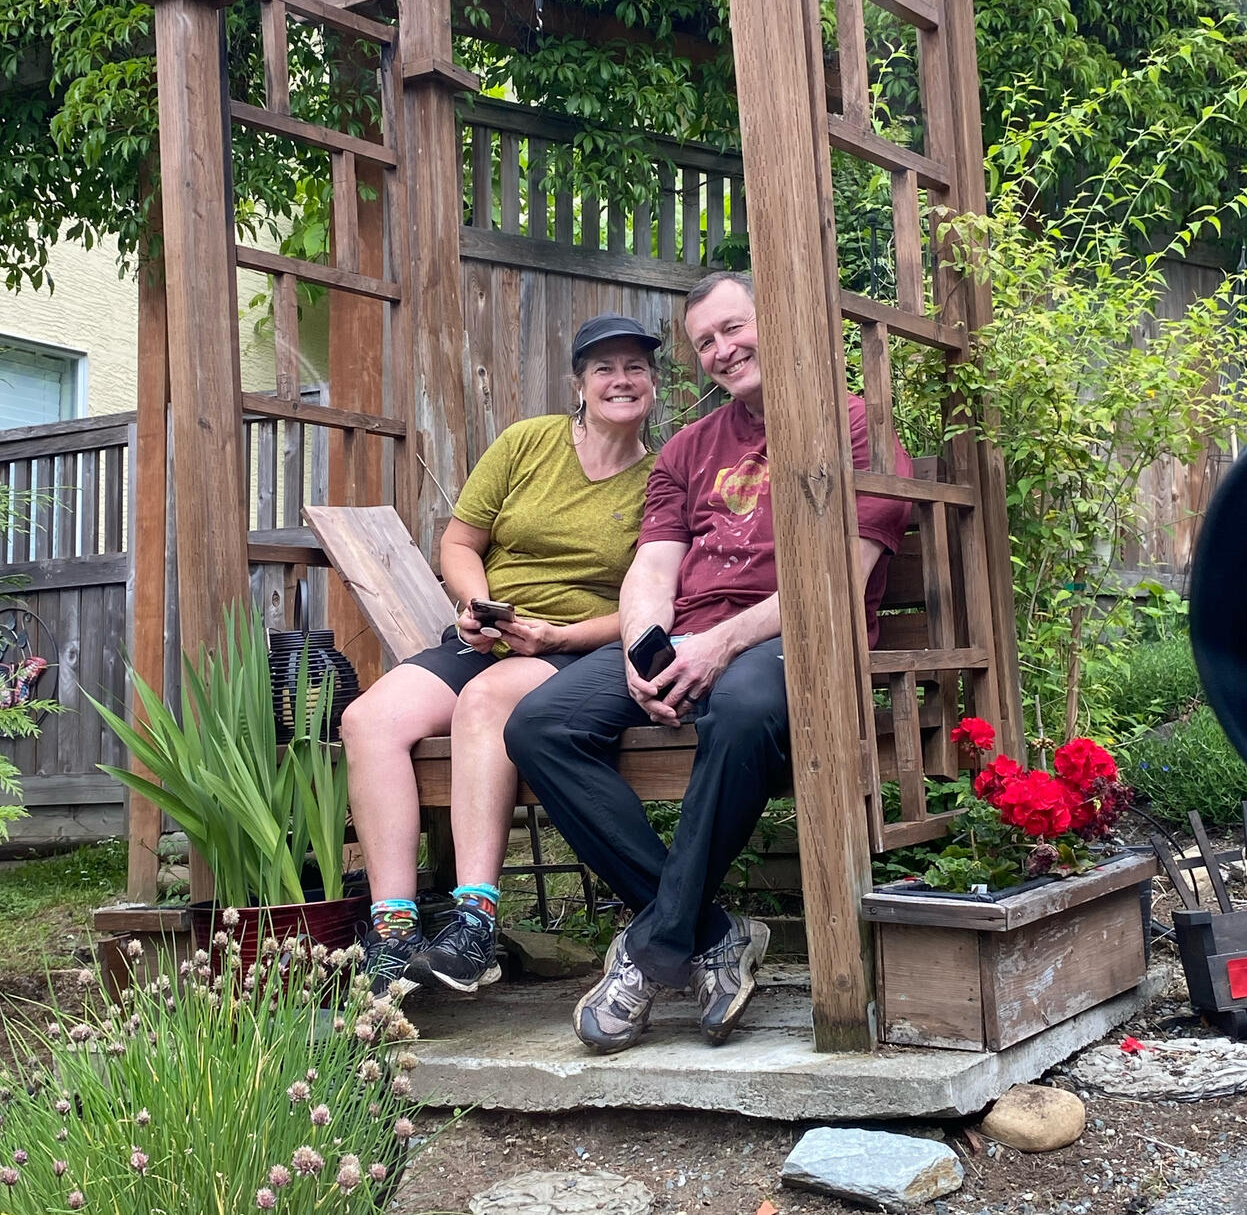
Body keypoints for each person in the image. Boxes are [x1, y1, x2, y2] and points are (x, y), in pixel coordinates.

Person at [504, 271, 913, 1053]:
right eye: (707, 342)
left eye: (735, 328)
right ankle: (714, 933)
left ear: (778, 319)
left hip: (799, 636)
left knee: (743, 707)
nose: (724, 350)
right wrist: (640, 646)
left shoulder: (853, 423)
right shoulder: (690, 449)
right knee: (542, 723)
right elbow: (653, 567)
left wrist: (723, 643)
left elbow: (837, 572)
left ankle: (656, 947)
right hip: (692, 636)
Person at [341, 314, 660, 996]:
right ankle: (393, 929)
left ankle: (475, 921)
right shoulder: (526, 443)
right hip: (486, 632)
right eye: (605, 367)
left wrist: (557, 634)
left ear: (653, 386)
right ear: (579, 383)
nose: (621, 380)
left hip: (572, 651)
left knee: (484, 703)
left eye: (636, 367)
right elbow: (459, 543)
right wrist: (477, 603)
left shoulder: (659, 481)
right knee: (367, 719)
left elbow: (648, 602)